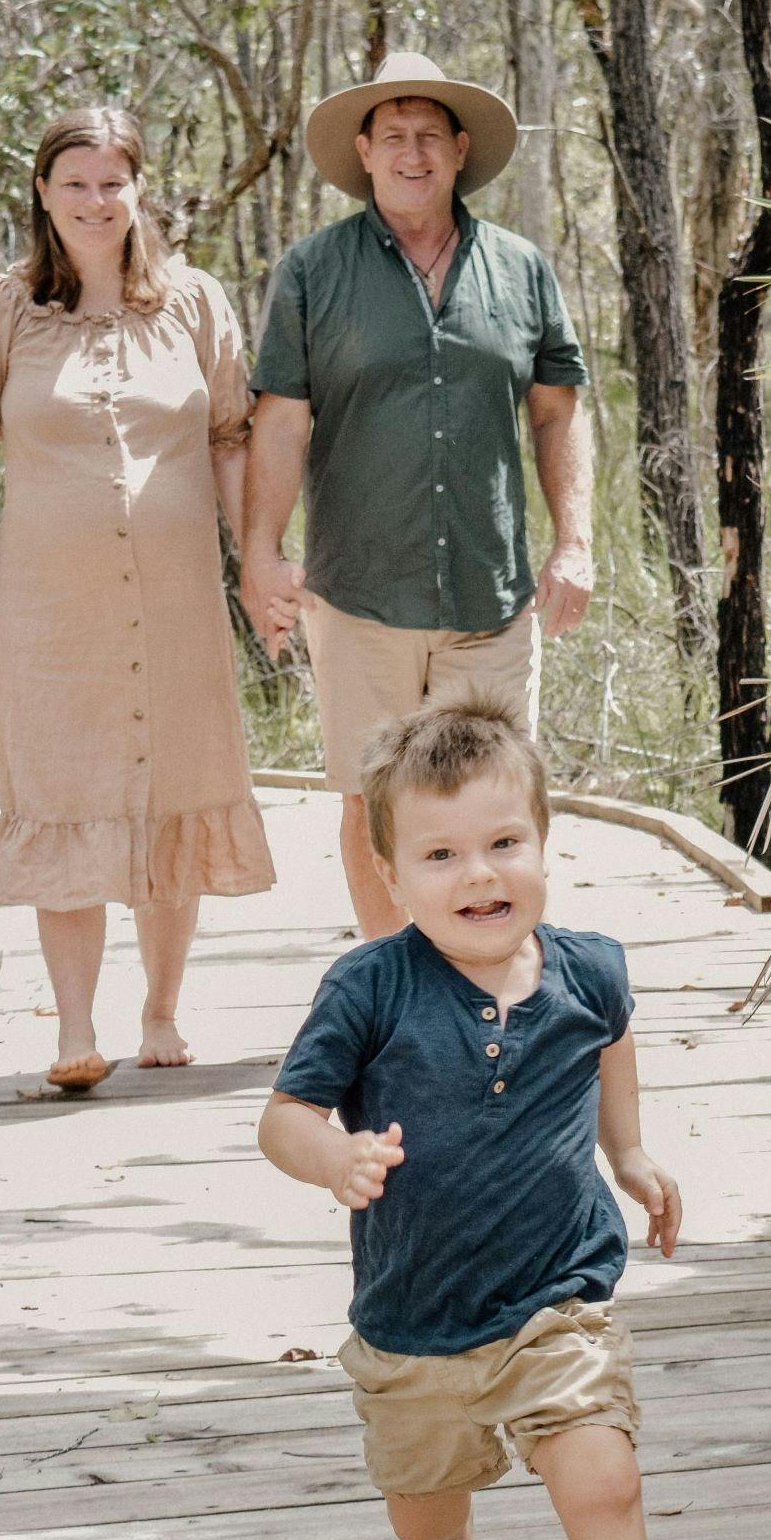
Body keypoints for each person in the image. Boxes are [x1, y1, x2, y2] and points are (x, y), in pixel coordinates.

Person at [257, 698, 678, 1540]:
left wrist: (626, 1153)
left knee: (606, 1486)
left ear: (544, 841)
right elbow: (284, 1116)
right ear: (391, 875)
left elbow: (612, 1038)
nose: (478, 874)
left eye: (503, 843)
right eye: (441, 853)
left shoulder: (590, 967)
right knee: (421, 1507)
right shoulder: (370, 986)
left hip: (556, 1305)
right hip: (415, 1321)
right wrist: (335, 1159)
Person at [0, 107, 276, 1092]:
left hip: (176, 602)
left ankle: (162, 1010)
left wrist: (258, 561)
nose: (95, 201)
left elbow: (229, 438)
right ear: (44, 193)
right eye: (75, 183)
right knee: (64, 792)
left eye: (112, 183)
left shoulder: (194, 303)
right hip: (51, 611)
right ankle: (75, 1025)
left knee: (173, 789)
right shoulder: (3, 310)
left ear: (140, 193)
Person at [237, 51, 593, 941]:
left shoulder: (519, 269)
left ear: (460, 148)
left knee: (497, 796)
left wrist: (574, 541)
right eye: (392, 136)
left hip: (491, 589)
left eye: (429, 135)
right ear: (363, 152)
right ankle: (392, 987)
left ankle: (498, 983)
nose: (412, 152)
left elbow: (557, 413)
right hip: (360, 589)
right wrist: (258, 553)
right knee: (374, 804)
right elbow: (280, 423)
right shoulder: (314, 272)